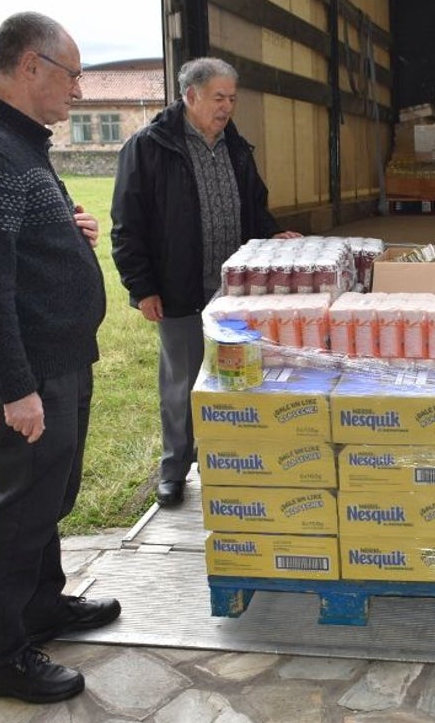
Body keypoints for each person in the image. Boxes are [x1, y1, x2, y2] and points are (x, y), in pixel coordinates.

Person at [0, 11, 121, 703]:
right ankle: (3, 657)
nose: (78, 89)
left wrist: (71, 234)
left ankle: (44, 605)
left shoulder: (20, 145)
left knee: (50, 497)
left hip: (61, 358)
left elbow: (19, 245)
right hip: (30, 370)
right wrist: (16, 388)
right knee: (20, 511)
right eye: (72, 74)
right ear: (32, 67)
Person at [111, 57, 300, 507]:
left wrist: (272, 233)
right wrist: (142, 287)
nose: (227, 107)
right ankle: (174, 469)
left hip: (234, 294)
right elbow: (127, 224)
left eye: (232, 98)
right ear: (190, 95)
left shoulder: (237, 148)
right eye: (219, 98)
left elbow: (254, 206)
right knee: (181, 384)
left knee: (238, 378)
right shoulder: (149, 148)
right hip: (179, 288)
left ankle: (228, 461)